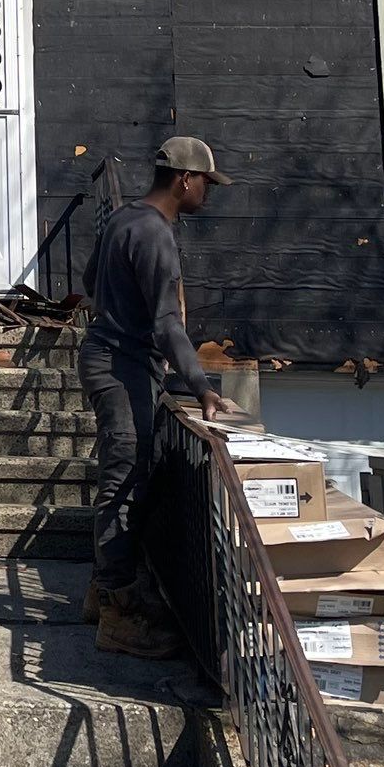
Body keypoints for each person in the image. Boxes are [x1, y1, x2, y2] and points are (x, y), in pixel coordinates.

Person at [79, 136, 230, 659]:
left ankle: (103, 593)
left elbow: (87, 278)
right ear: (184, 180)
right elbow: (168, 323)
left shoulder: (123, 219)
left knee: (125, 477)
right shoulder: (156, 235)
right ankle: (121, 615)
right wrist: (203, 388)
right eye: (205, 184)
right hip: (122, 368)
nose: (207, 194)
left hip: (105, 358)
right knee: (125, 482)